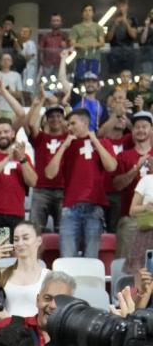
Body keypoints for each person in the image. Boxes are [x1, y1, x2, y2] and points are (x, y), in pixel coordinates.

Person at [45, 109, 118, 258]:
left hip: (95, 207)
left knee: (91, 257)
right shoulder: (67, 145)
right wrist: (63, 146)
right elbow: (49, 174)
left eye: (73, 123)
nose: (69, 127)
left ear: (85, 122)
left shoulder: (103, 143)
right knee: (67, 257)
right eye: (68, 124)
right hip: (70, 208)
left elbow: (112, 167)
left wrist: (95, 141)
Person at [0, 119, 38, 253]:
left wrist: (22, 159)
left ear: (12, 134)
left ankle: (7, 274)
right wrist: (6, 159)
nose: (2, 135)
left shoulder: (23, 157)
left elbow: (33, 182)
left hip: (14, 214)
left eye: (6, 131)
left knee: (13, 258)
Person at [0, 221, 48, 321]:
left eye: (25, 238)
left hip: (35, 334)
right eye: (16, 239)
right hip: (6, 333)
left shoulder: (49, 276)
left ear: (39, 240)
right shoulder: (1, 272)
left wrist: (9, 320)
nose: (20, 243)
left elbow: (50, 317)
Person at [26, 98, 68, 234]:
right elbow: (31, 124)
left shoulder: (69, 138)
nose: (55, 119)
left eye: (58, 116)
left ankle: (61, 256)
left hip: (63, 190)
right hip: (41, 190)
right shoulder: (41, 138)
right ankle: (35, 255)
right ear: (46, 120)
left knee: (63, 232)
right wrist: (41, 100)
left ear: (63, 119)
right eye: (51, 116)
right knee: (35, 231)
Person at [117, 111, 152, 266]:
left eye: (145, 126)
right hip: (130, 218)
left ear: (151, 130)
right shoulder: (124, 156)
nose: (141, 130)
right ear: (132, 131)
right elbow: (117, 185)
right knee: (126, 263)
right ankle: (122, 287)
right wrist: (135, 169)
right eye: (137, 127)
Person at [70, 4, 106, 81]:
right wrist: (81, 45)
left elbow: (102, 42)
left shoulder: (98, 27)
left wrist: (95, 44)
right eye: (85, 10)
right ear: (82, 13)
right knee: (80, 79)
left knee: (93, 79)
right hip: (81, 58)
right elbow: (72, 43)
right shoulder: (76, 28)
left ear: (93, 13)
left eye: (90, 10)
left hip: (94, 58)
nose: (87, 12)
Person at [39, 14, 68, 79]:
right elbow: (40, 51)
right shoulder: (45, 36)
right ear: (50, 23)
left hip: (61, 65)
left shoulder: (65, 36)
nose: (55, 22)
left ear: (61, 22)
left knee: (61, 86)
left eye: (57, 20)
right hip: (47, 66)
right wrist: (42, 64)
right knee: (45, 85)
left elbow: (70, 52)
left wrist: (66, 47)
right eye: (54, 21)